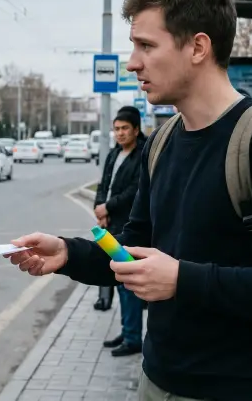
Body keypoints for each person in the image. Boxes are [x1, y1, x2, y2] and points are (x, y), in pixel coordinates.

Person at [7, 0, 252, 401]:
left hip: (243, 389)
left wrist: (182, 279)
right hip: (157, 381)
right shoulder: (161, 143)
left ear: (198, 46)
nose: (132, 62)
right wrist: (68, 253)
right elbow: (132, 249)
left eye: (146, 45)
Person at [91, 105, 147, 357]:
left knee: (128, 283)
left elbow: (135, 191)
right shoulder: (114, 154)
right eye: (116, 129)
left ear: (136, 130)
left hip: (129, 227)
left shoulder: (143, 155)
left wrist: (107, 207)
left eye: (125, 128)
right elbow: (104, 184)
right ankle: (128, 331)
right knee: (120, 281)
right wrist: (99, 208)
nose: (120, 133)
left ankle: (134, 337)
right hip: (111, 225)